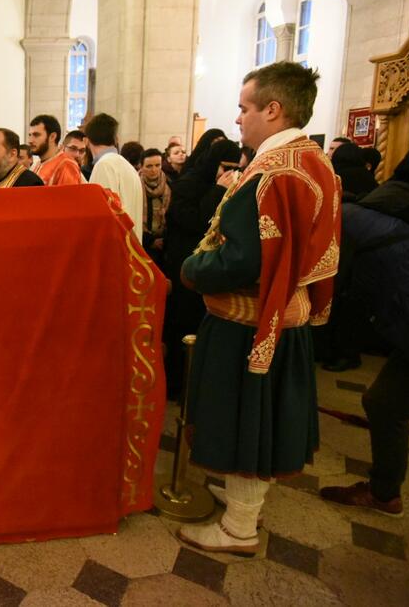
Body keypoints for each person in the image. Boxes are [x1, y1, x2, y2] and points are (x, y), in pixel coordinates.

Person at [177, 62, 340, 555]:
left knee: (247, 420)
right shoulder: (314, 159)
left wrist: (193, 268)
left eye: (245, 108)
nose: (239, 119)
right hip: (285, 313)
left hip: (252, 320)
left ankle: (239, 528)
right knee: (260, 418)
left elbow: (244, 260)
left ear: (273, 109)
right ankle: (241, 502)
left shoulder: (271, 171)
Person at [319, 151, 409, 517]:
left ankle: (384, 492)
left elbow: (330, 271)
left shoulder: (361, 216)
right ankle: (384, 490)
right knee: (384, 402)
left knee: (385, 403)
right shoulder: (383, 214)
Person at [162, 139, 242, 398]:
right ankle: (177, 386)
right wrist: (218, 191)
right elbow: (195, 221)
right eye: (224, 166)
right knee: (181, 328)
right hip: (183, 266)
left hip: (209, 271)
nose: (228, 173)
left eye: (234, 167)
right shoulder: (187, 184)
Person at [85, 113, 145, 241]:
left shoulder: (104, 165)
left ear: (87, 140)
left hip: (115, 250)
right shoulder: (127, 166)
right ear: (116, 139)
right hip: (129, 250)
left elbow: (105, 215)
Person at [28, 114, 83, 186]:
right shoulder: (38, 164)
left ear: (52, 137)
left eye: (36, 135)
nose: (30, 140)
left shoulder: (66, 165)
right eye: (30, 135)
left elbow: (69, 196)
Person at [139, 148, 169, 267]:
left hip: (164, 241)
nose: (154, 170)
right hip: (142, 241)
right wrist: (149, 241)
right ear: (141, 167)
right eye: (149, 166)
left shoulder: (169, 185)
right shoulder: (135, 184)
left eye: (157, 165)